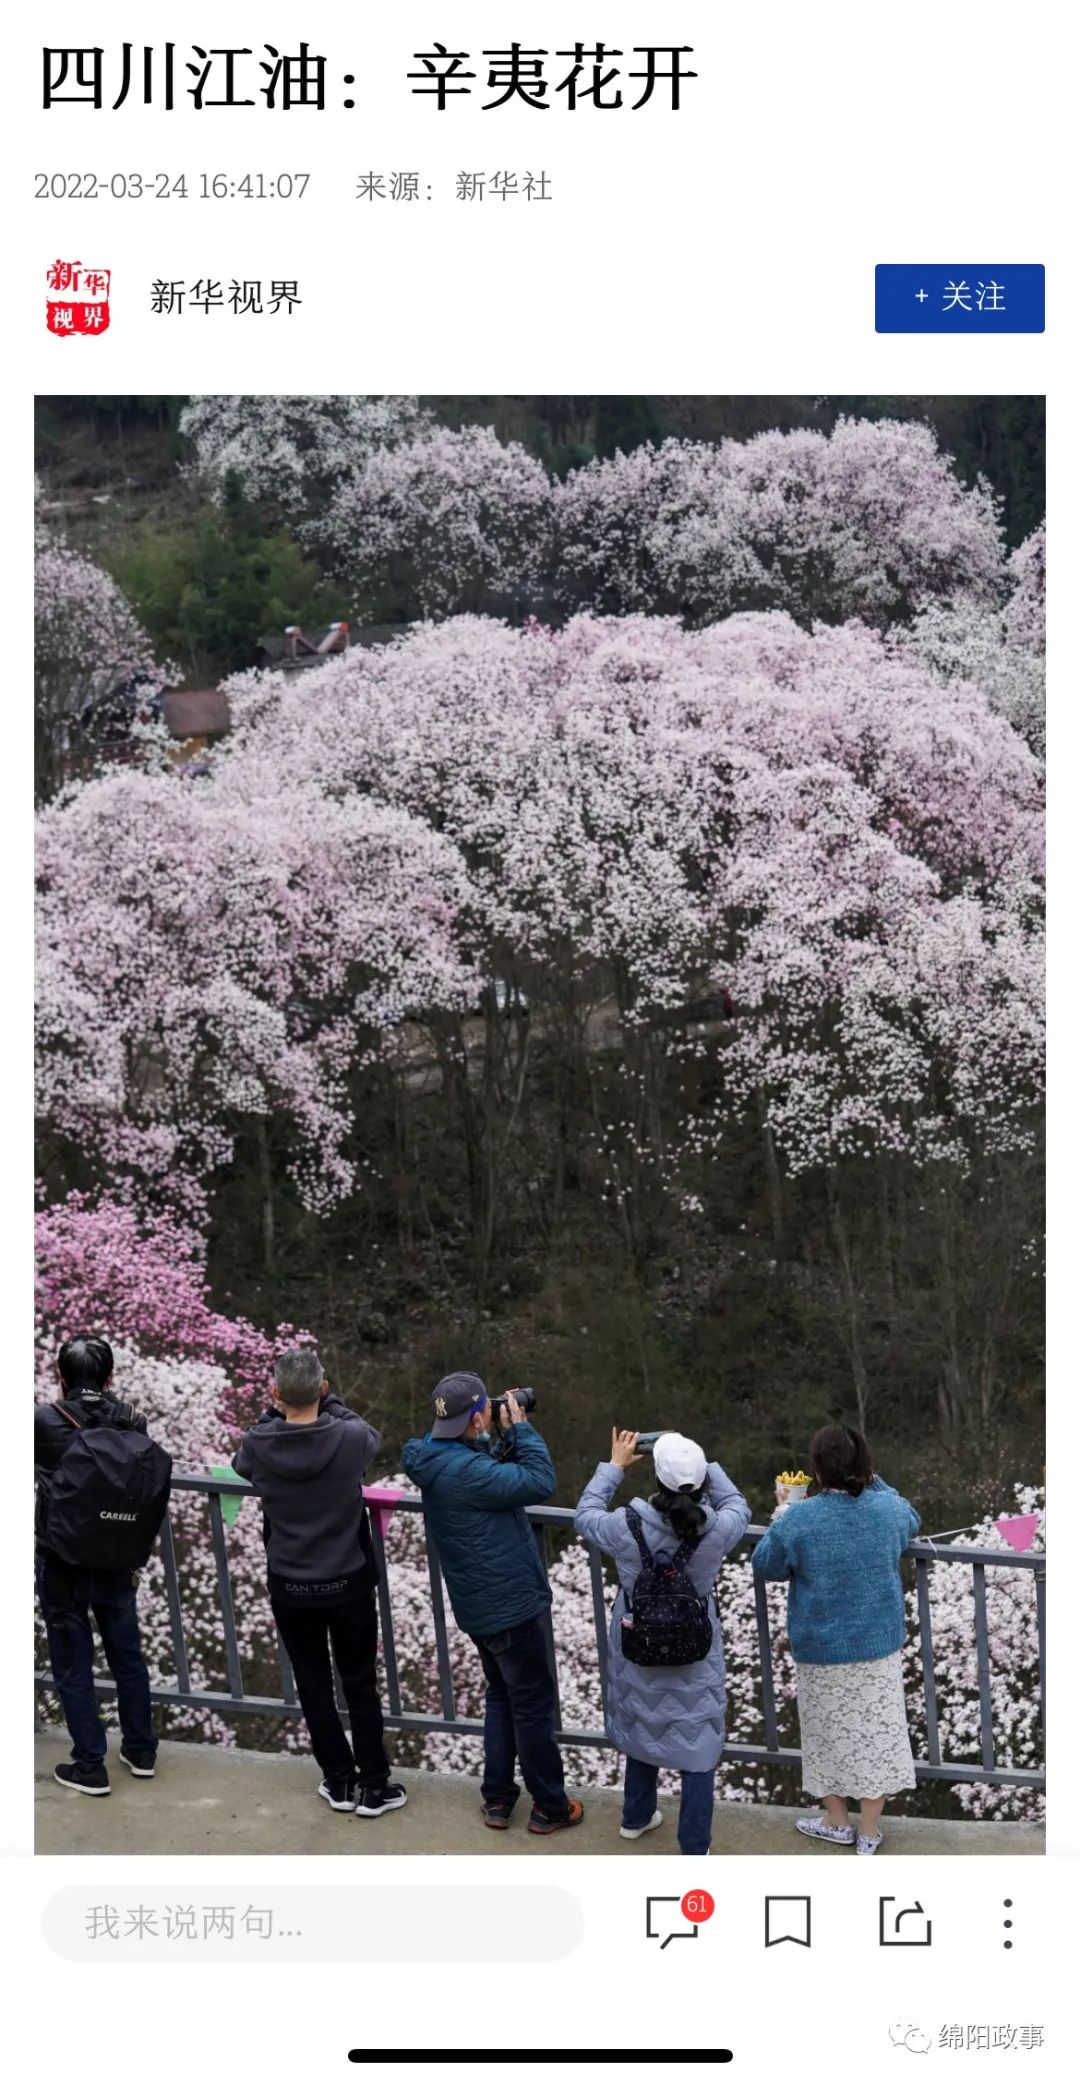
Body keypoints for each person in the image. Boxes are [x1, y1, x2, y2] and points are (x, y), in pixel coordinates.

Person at [402, 1372, 583, 1835]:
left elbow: (475, 1468)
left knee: (501, 1697)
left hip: (476, 1607)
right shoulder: (470, 1472)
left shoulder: (436, 1458)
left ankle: (499, 1799)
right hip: (511, 1607)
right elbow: (540, 1480)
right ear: (474, 1418)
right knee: (532, 1706)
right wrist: (520, 1429)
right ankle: (550, 1806)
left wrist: (484, 1434)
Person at [233, 1348, 406, 1820]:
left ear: (275, 1393)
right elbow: (371, 1436)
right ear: (324, 1389)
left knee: (312, 1684)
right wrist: (330, 1404)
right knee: (359, 1685)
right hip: (348, 1581)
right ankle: (374, 1785)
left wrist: (275, 1413)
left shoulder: (259, 1441)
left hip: (290, 1584)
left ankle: (338, 1780)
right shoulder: (349, 1437)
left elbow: (240, 1466)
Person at [574, 1429, 750, 1855]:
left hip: (638, 1638)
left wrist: (614, 1466)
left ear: (656, 1477)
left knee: (643, 1717)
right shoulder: (717, 1530)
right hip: (695, 1644)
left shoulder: (624, 1525)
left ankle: (635, 1817)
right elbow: (739, 1505)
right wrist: (703, 1463)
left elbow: (584, 1513)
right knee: (697, 1740)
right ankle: (693, 1846)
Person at [751, 1423, 919, 1855]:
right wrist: (874, 1479)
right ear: (864, 1465)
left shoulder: (802, 1519)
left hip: (821, 1648)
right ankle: (868, 1832)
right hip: (877, 1645)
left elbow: (765, 1564)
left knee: (826, 1735)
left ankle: (837, 1821)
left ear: (817, 1470)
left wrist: (784, 1512)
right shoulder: (888, 1510)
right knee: (878, 1736)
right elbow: (911, 1517)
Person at [35, 1337, 160, 1795]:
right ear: (110, 1378)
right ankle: (141, 1750)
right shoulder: (132, 1421)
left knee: (73, 1661)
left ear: (60, 1376)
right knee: (127, 1654)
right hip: (116, 1554)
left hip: (61, 1557)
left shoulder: (43, 1420)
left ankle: (90, 1764)